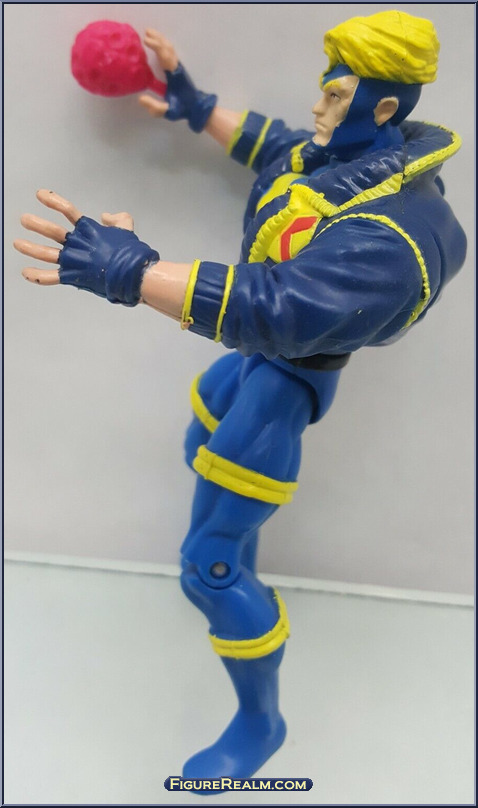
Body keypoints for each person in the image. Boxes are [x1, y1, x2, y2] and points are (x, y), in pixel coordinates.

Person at [14, 10, 466, 780]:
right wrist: (196, 104)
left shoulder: (400, 230)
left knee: (209, 564)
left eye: (337, 96)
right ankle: (239, 559)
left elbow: (279, 307)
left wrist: (135, 273)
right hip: (252, 366)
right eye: (325, 90)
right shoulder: (344, 157)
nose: (318, 108)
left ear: (386, 106)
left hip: (286, 384)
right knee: (200, 445)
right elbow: (277, 149)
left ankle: (261, 722)